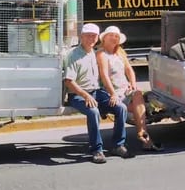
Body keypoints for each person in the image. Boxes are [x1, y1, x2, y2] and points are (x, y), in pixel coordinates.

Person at [63, 22, 128, 163]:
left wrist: (113, 94)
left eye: (94, 36)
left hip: (97, 92)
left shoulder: (94, 52)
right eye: (88, 36)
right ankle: (96, 150)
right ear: (82, 36)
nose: (91, 39)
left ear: (98, 37)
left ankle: (118, 145)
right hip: (78, 95)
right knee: (93, 111)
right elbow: (68, 81)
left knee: (121, 108)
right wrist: (85, 95)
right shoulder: (74, 55)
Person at [96, 25, 163, 152]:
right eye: (111, 35)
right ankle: (146, 139)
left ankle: (142, 132)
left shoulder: (120, 52)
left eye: (116, 36)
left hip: (125, 90)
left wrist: (132, 84)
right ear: (104, 38)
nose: (114, 38)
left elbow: (129, 70)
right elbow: (104, 75)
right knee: (138, 110)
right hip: (111, 91)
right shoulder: (101, 54)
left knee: (137, 93)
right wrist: (112, 94)